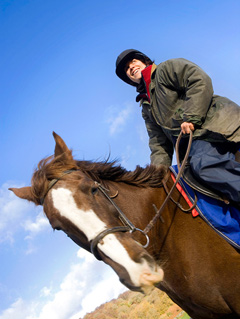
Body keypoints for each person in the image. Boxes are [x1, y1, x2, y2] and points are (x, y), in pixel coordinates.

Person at [115, 49, 240, 204]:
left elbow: (199, 80)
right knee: (186, 182)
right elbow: (158, 142)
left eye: (133, 61)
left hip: (214, 125)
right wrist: (156, 176)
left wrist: (191, 117)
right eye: (127, 69)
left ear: (145, 61)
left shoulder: (166, 68)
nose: (131, 67)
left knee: (203, 166)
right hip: (194, 144)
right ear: (128, 79)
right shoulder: (146, 107)